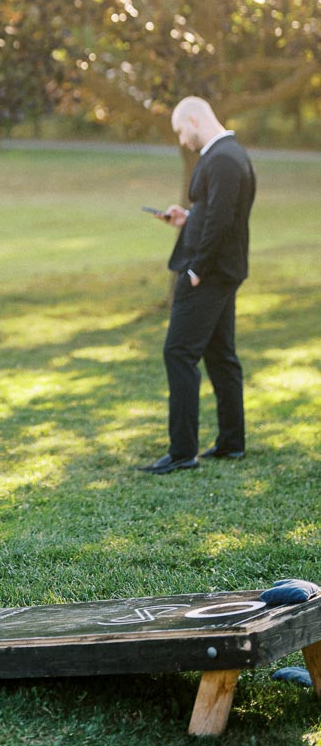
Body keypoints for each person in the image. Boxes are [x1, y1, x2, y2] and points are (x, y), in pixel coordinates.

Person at [139, 97, 256, 475]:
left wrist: (196, 270)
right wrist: (188, 217)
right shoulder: (230, 154)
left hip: (208, 274)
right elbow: (216, 211)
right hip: (222, 271)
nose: (182, 140)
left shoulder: (222, 158)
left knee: (178, 353)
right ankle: (231, 443)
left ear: (194, 119)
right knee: (221, 355)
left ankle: (182, 452)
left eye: (180, 131)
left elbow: (221, 222)